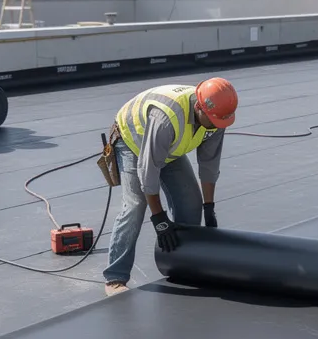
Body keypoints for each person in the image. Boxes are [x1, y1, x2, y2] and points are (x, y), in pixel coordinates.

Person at [101, 78, 238, 296]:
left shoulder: (217, 116)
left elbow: (209, 164)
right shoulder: (167, 118)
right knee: (135, 205)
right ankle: (115, 277)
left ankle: (180, 264)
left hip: (169, 146)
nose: (215, 126)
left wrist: (209, 207)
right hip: (132, 141)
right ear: (198, 107)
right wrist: (159, 219)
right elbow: (148, 171)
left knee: (191, 203)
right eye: (212, 120)